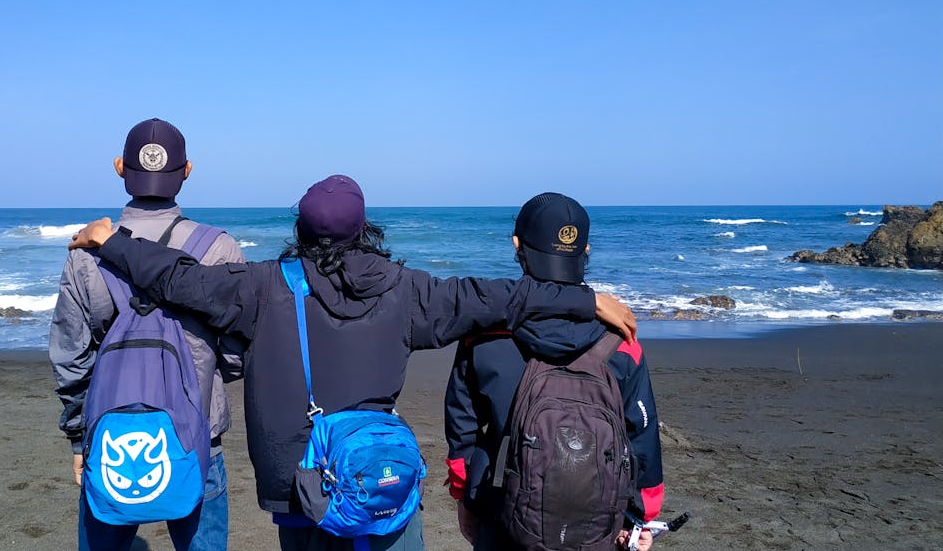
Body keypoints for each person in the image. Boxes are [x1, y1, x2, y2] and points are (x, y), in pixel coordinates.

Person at [68, 174, 637, 551]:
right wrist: (584, 298)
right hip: (381, 479)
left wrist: (111, 240)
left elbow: (175, 278)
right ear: (365, 229)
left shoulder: (260, 288)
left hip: (300, 488)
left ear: (301, 230)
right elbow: (499, 297)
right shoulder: (408, 291)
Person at [50, 118, 247, 551]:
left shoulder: (85, 252)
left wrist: (77, 436)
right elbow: (237, 354)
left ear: (120, 167)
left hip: (109, 431)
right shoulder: (219, 249)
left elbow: (70, 358)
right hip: (198, 433)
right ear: (188, 170)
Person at [443, 193, 664, 551]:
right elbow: (642, 435)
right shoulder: (621, 342)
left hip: (501, 518)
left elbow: (462, 431)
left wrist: (464, 497)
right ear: (586, 251)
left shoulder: (483, 338)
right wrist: (643, 517)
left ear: (518, 246)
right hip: (596, 523)